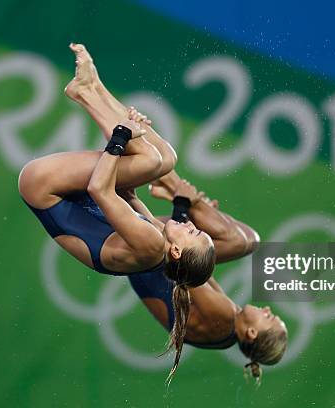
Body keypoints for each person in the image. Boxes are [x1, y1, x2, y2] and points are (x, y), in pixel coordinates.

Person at [18, 44, 215, 383]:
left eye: (194, 234)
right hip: (75, 198)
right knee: (164, 159)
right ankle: (92, 89)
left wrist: (123, 135)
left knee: (152, 161)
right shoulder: (157, 244)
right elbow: (126, 197)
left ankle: (87, 93)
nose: (193, 225)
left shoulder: (152, 243)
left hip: (45, 188)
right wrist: (130, 143)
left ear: (178, 250)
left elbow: (100, 189)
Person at [126, 173, 288, 385]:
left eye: (269, 317)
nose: (267, 309)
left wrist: (182, 206)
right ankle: (176, 190)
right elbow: (193, 269)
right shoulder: (225, 333)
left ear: (251, 332)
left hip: (150, 263)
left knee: (241, 242)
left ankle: (175, 185)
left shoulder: (224, 318)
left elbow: (184, 268)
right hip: (157, 267)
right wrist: (199, 223)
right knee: (247, 240)